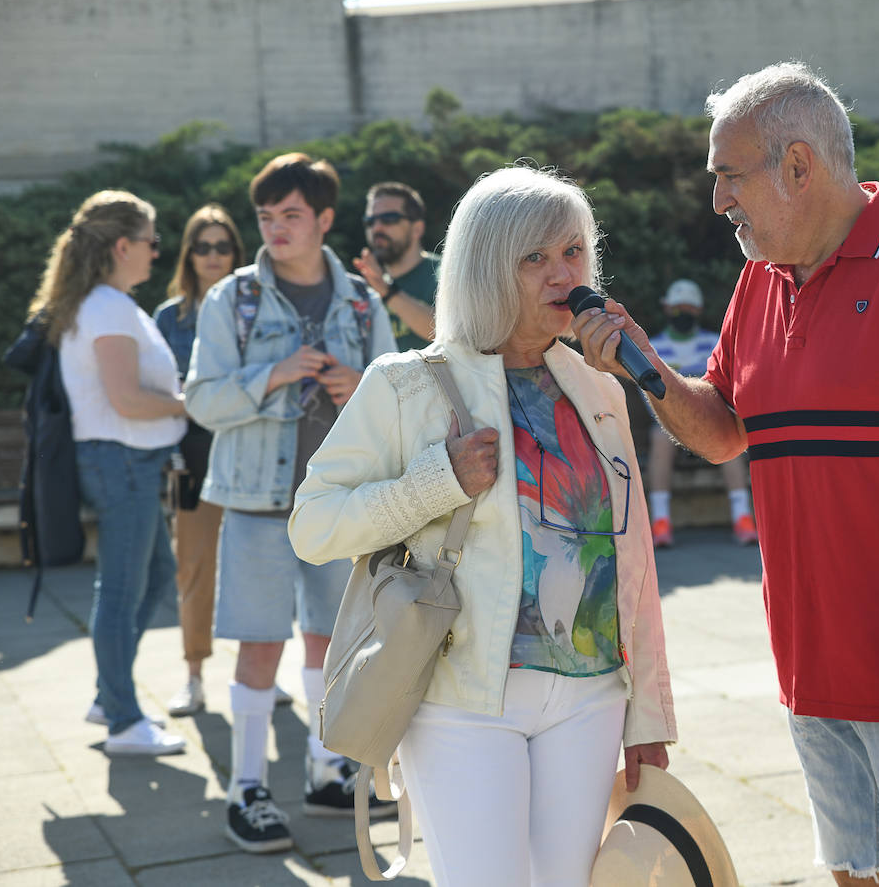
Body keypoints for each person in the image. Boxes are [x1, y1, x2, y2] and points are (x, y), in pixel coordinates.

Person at [574, 62, 879, 887]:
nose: (718, 201)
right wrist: (643, 370)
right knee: (858, 877)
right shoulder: (760, 279)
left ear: (798, 166)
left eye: (727, 176)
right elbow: (722, 432)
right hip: (813, 675)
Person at [289, 166, 678, 886]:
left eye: (572, 253)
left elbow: (631, 562)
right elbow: (312, 526)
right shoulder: (407, 384)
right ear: (484, 269)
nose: (563, 275)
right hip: (464, 701)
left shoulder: (599, 386)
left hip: (592, 699)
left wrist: (648, 711)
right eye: (534, 258)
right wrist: (436, 481)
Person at [184, 153, 397, 852]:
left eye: (291, 216)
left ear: (325, 219)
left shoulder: (362, 301)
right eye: (266, 217)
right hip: (254, 503)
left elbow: (397, 402)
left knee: (331, 644)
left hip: (338, 503)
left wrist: (356, 385)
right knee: (259, 642)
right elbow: (203, 400)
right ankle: (247, 789)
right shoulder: (233, 299)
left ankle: (327, 770)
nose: (274, 229)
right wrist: (270, 375)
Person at [27, 190, 188, 756]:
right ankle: (122, 719)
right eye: (150, 241)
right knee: (121, 593)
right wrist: (185, 402)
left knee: (155, 580)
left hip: (123, 460)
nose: (155, 253)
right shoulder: (108, 308)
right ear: (123, 245)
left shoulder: (101, 303)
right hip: (122, 460)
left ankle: (108, 692)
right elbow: (127, 399)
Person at [153, 204, 244, 718]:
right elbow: (161, 393)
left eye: (222, 246)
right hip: (193, 460)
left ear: (235, 252)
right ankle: (193, 674)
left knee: (257, 566)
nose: (213, 256)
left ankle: (258, 674)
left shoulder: (253, 306)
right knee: (194, 568)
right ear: (189, 253)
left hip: (251, 458)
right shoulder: (171, 316)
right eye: (203, 246)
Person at [645, 278, 757, 547]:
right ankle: (660, 522)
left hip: (712, 420)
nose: (683, 313)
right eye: (677, 307)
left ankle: (743, 517)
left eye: (689, 308)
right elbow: (650, 395)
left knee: (731, 436)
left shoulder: (713, 343)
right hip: (669, 426)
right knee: (660, 438)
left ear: (699, 310)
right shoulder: (653, 346)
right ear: (666, 308)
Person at [352, 181, 439, 349]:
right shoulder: (367, 289)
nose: (377, 228)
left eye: (389, 219)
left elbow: (449, 332)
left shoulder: (446, 273)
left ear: (417, 229)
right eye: (370, 221)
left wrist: (387, 292)